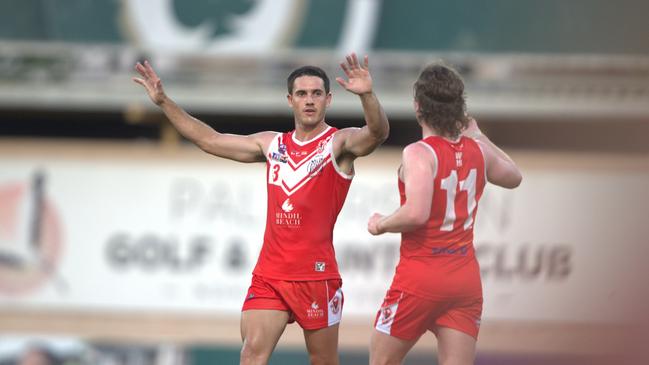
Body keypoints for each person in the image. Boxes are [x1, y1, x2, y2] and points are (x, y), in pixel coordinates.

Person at [133, 53, 389, 365]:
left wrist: (368, 96)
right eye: (302, 94)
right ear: (290, 100)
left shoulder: (339, 143)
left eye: (316, 94)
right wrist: (163, 101)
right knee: (252, 353)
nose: (309, 101)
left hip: (316, 277)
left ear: (328, 99)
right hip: (270, 275)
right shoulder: (272, 145)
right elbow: (210, 140)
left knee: (323, 360)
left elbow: (376, 134)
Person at [366, 63, 522, 365]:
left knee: (381, 361)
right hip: (464, 280)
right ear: (459, 108)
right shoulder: (478, 150)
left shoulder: (420, 153)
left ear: (417, 107)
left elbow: (416, 213)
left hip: (420, 277)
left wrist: (380, 224)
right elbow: (514, 177)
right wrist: (479, 135)